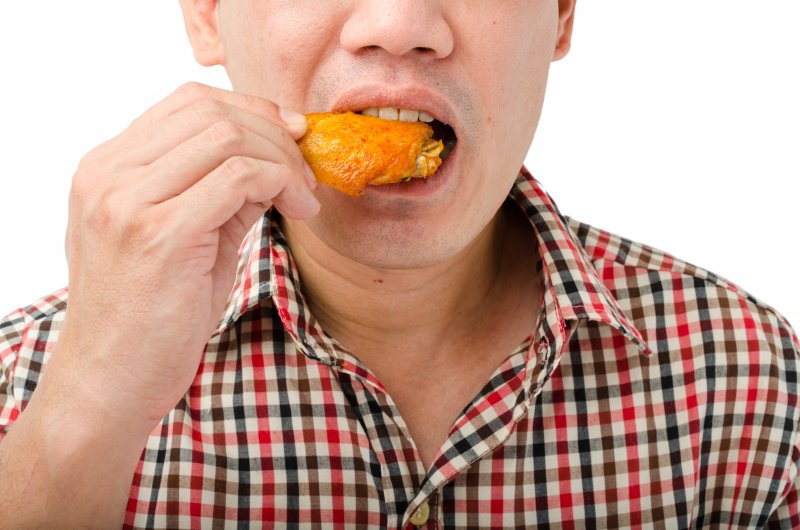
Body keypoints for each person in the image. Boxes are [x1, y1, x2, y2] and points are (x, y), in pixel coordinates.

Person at [0, 1, 797, 528]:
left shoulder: (753, 387)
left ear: (559, 14)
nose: (398, 22)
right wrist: (85, 411)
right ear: (209, 12)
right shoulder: (24, 385)